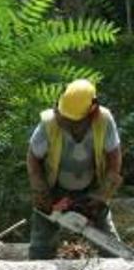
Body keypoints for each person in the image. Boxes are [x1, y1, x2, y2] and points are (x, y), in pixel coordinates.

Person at [27, 79, 125, 260]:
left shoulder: (104, 120)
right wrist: (42, 192)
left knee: (109, 240)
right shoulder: (48, 122)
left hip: (91, 187)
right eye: (65, 119)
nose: (68, 124)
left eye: (75, 121)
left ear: (92, 110)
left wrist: (101, 195)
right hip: (53, 187)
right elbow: (33, 159)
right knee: (41, 240)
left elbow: (114, 160)